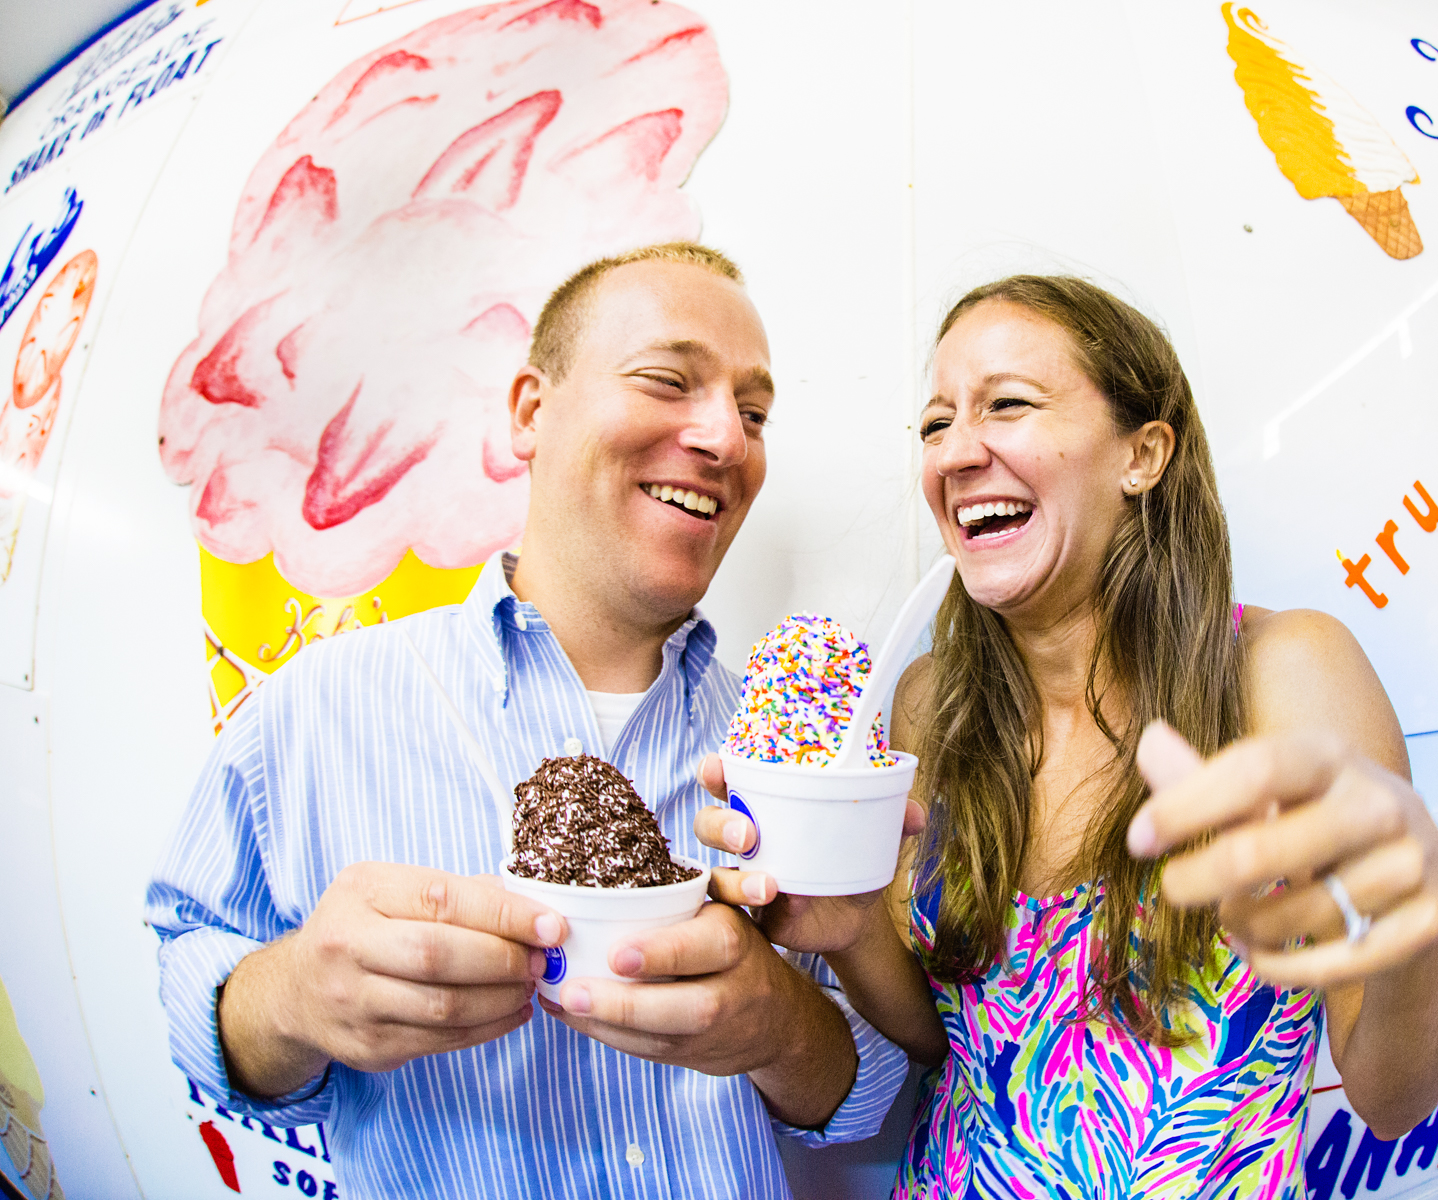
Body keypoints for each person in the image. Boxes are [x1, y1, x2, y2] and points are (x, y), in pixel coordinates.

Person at [147, 243, 908, 1199]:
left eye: (753, 413)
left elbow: (867, 1090)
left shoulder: (784, 749)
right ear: (530, 414)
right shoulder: (320, 703)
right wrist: (294, 998)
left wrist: (780, 1024)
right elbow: (191, 974)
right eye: (668, 380)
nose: (726, 438)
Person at [697, 274, 1438, 1198]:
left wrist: (1411, 921)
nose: (954, 452)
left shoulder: (1283, 675)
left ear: (1143, 453)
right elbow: (948, 1040)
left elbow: (1394, 1098)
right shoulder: (930, 705)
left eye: (1006, 405)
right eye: (938, 423)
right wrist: (853, 932)